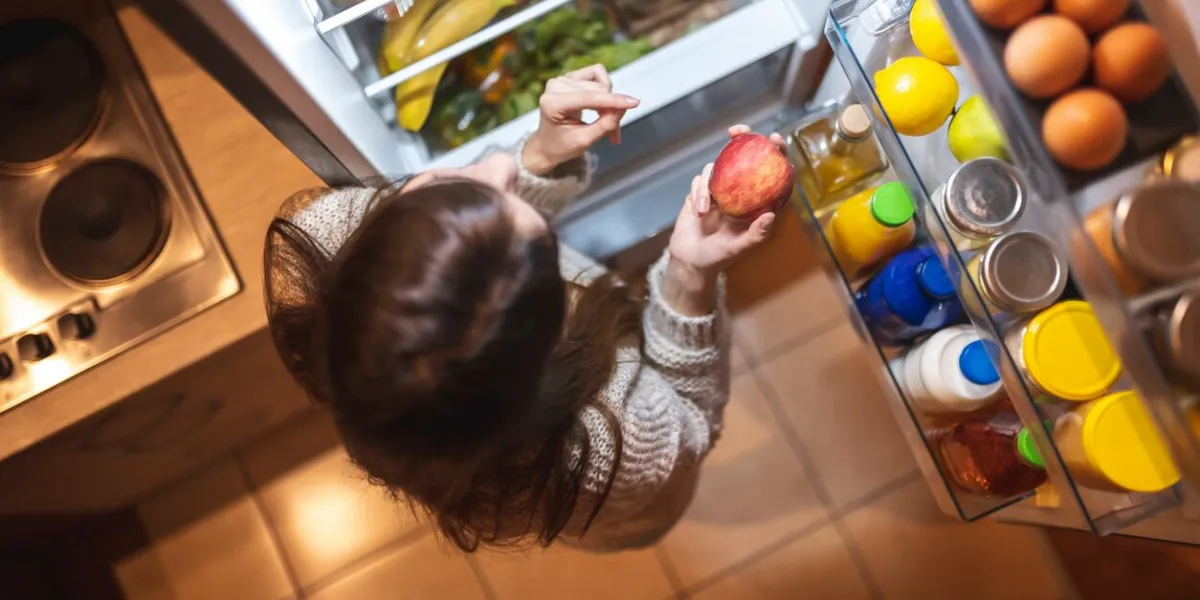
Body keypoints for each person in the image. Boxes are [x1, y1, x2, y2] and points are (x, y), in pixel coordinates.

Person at [263, 64, 782, 553]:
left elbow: (475, 254)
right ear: (548, 327)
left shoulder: (323, 237)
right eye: (544, 243)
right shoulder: (606, 444)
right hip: (630, 508)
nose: (497, 162)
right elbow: (690, 422)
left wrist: (538, 155)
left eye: (442, 189)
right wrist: (691, 272)